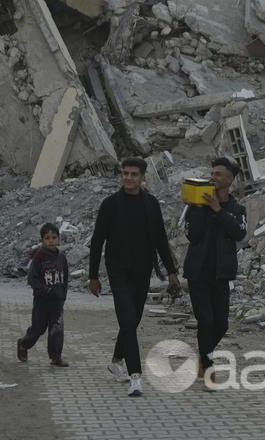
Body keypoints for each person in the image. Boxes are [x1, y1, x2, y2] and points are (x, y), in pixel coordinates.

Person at [88, 157, 180, 397]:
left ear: (142, 177)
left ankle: (116, 361)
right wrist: (93, 276)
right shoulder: (110, 204)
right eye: (124, 174)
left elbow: (160, 239)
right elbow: (97, 241)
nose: (128, 178)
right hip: (118, 271)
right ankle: (136, 377)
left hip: (142, 271)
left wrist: (171, 271)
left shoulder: (150, 204)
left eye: (133, 174)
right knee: (128, 321)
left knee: (132, 321)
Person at [183, 157, 247, 390]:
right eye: (212, 173)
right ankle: (208, 368)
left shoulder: (236, 209)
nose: (213, 178)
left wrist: (218, 211)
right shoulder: (196, 204)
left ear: (229, 180)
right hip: (198, 272)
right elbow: (192, 235)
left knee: (221, 324)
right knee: (205, 321)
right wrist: (202, 208)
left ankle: (202, 356)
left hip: (221, 274)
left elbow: (239, 233)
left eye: (219, 174)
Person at [17, 223, 70, 367]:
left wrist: (62, 295)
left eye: (54, 237)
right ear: (42, 240)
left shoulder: (61, 257)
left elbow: (65, 278)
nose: (51, 241)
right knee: (38, 329)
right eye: (47, 238)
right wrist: (44, 290)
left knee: (57, 329)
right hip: (42, 301)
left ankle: (56, 357)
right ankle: (23, 344)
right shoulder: (39, 257)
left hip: (57, 301)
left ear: (59, 239)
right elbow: (32, 279)